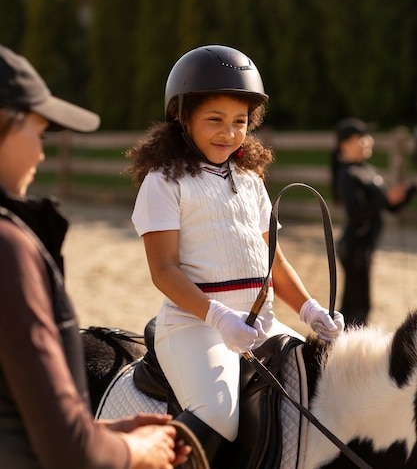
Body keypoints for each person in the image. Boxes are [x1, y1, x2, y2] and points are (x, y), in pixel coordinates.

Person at [128, 45, 345, 465]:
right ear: (182, 116)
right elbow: (163, 270)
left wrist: (309, 309)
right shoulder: (163, 181)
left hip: (260, 324)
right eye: (215, 120)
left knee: (327, 387)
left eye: (240, 122)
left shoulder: (249, 180)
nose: (229, 133)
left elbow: (275, 263)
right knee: (220, 415)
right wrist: (217, 318)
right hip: (195, 327)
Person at [0, 44, 194, 469]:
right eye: (37, 132)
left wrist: (100, 431)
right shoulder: (8, 248)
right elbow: (67, 450)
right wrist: (139, 450)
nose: (40, 152)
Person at [330, 117, 417, 327]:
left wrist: (410, 189)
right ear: (345, 144)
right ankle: (346, 351)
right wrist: (385, 199)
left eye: (367, 136)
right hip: (354, 248)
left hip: (364, 247)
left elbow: (389, 207)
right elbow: (355, 213)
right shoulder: (347, 174)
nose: (368, 141)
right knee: (358, 307)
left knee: (354, 304)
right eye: (361, 138)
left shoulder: (368, 170)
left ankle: (341, 347)